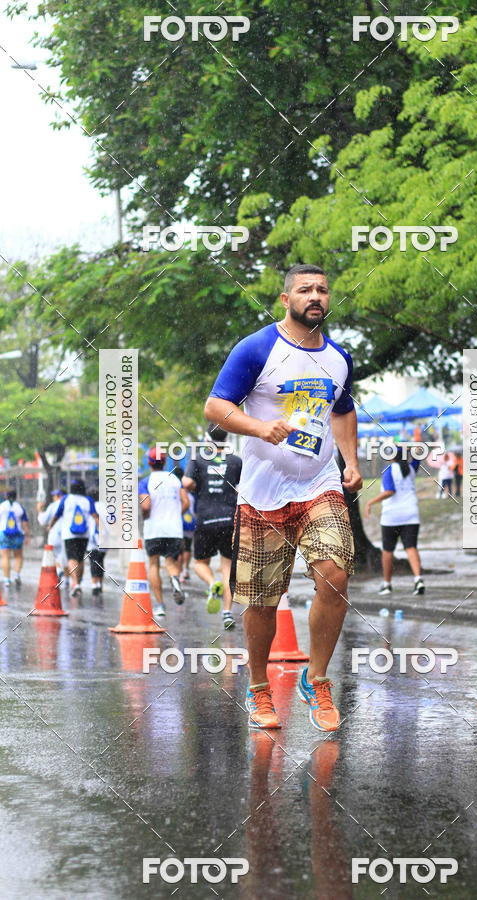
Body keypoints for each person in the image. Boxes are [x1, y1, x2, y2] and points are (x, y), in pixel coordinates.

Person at [204, 263, 362, 732]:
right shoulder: (256, 349)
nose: (315, 296)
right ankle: (258, 687)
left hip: (319, 485)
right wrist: (258, 427)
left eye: (322, 290)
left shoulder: (339, 358)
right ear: (285, 298)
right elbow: (216, 407)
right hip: (263, 493)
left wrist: (350, 462)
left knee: (335, 573)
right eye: (305, 290)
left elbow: (343, 410)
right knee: (261, 602)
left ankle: (316, 679)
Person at [182, 425, 242, 630]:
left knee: (200, 563)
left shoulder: (198, 459)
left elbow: (187, 482)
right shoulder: (235, 461)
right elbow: (243, 487)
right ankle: (227, 614)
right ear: (226, 438)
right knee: (227, 569)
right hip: (229, 520)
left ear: (207, 438)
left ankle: (210, 584)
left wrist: (197, 485)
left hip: (205, 519)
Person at [365, 448, 425, 597]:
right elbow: (418, 457)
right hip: (411, 514)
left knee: (388, 551)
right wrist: (411, 449)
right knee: (411, 548)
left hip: (391, 516)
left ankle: (387, 584)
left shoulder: (389, 469)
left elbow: (390, 491)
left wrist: (370, 502)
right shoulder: (410, 468)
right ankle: (418, 580)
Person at [138, 446, 189, 616]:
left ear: (149, 462)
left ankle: (160, 606)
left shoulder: (145, 482)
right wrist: (176, 514)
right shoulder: (175, 480)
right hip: (173, 529)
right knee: (170, 562)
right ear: (165, 461)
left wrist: (144, 515)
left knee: (153, 564)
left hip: (154, 528)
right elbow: (186, 502)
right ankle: (175, 580)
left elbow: (146, 505)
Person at [51, 480, 98, 598]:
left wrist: (51, 525)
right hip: (84, 534)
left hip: (69, 535)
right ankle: (79, 583)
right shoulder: (88, 500)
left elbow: (57, 515)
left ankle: (75, 584)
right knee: (80, 559)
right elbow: (95, 516)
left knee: (71, 559)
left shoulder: (66, 499)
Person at [0, 490, 30, 588]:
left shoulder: (2, 506)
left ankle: (7, 579)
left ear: (6, 496)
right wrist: (27, 535)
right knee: (18, 556)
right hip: (17, 534)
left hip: (4, 534)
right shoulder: (19, 507)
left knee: (5, 556)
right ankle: (16, 574)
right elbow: (25, 523)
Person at [37, 488, 66, 579]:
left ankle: (60, 571)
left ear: (59, 496)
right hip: (68, 535)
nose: (53, 497)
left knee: (55, 556)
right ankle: (66, 579)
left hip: (55, 535)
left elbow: (42, 521)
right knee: (66, 557)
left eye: (55, 496)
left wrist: (40, 510)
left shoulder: (53, 506)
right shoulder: (69, 504)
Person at [87, 488, 107, 597]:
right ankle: (100, 583)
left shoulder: (90, 507)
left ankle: (95, 584)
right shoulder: (105, 507)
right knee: (100, 560)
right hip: (104, 538)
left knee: (93, 561)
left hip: (92, 539)